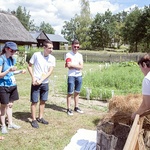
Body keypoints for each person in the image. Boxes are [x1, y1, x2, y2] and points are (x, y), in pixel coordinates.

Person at [27, 39, 56, 128]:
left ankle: (40, 117)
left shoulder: (52, 58)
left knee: (43, 101)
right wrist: (33, 78)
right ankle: (34, 119)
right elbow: (29, 66)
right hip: (36, 83)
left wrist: (42, 80)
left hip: (45, 83)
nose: (51, 50)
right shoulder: (36, 55)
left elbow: (50, 71)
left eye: (52, 48)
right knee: (34, 101)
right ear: (44, 47)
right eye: (49, 48)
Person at [0, 42, 26, 134]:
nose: (13, 52)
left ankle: (10, 123)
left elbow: (11, 73)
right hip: (3, 86)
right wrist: (8, 70)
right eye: (12, 50)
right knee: (3, 106)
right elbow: (0, 75)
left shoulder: (12, 59)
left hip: (12, 85)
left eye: (15, 50)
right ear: (6, 49)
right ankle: (3, 125)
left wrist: (19, 71)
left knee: (10, 105)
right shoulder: (1, 59)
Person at [65, 39, 84, 116]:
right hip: (71, 76)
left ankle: (76, 107)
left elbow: (81, 66)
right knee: (70, 93)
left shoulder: (80, 55)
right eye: (74, 47)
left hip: (79, 76)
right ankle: (68, 108)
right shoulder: (68, 55)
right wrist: (77, 66)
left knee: (77, 92)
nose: (76, 48)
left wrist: (74, 66)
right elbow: (69, 66)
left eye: (77, 47)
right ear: (72, 46)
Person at [131, 53, 150, 120]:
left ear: (144, 65)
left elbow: (147, 105)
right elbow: (145, 101)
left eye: (140, 68)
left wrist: (136, 114)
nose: (141, 71)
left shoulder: (147, 79)